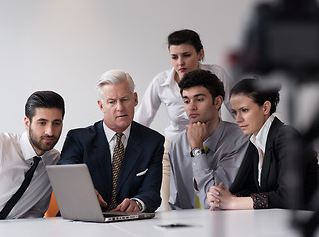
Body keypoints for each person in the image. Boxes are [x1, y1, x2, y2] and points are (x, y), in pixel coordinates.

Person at [134, 29, 233, 210]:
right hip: (174, 148)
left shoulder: (217, 74)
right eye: (174, 57)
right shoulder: (161, 82)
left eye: (186, 55)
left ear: (200, 53)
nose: (180, 63)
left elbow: (235, 110)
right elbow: (141, 120)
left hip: (213, 145)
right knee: (171, 207)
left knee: (212, 202)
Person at [59, 69, 164, 213]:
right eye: (112, 102)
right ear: (101, 106)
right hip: (83, 221)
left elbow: (151, 193)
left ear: (135, 99)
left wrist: (137, 203)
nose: (120, 108)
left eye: (125, 99)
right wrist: (84, 194)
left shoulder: (153, 142)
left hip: (129, 224)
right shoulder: (78, 139)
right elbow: (65, 179)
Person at [207, 78, 318, 210]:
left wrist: (232, 203)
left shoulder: (287, 136)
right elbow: (251, 190)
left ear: (265, 108)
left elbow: (288, 196)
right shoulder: (256, 142)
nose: (238, 119)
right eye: (235, 112)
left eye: (244, 110)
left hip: (308, 223)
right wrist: (221, 198)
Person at [0, 91, 65, 221]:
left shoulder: (54, 162)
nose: (50, 131)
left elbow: (35, 211)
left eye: (56, 123)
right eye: (42, 123)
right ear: (27, 123)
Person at [168, 69, 248, 210]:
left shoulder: (240, 140)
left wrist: (196, 148)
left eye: (199, 100)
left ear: (217, 102)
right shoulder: (177, 144)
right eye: (186, 101)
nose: (191, 107)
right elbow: (176, 203)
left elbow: (213, 201)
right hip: (188, 228)